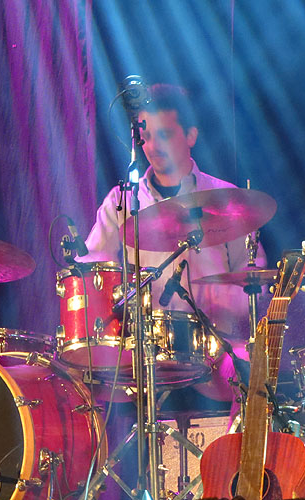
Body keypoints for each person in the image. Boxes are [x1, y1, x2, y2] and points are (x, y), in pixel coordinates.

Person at [81, 83, 267, 401]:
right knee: (82, 378)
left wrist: (226, 301)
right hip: (143, 354)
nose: (153, 146)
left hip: (214, 347)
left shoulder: (228, 200)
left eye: (164, 135)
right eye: (146, 137)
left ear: (190, 135)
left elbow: (255, 277)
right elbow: (91, 270)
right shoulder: (121, 202)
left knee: (255, 373)